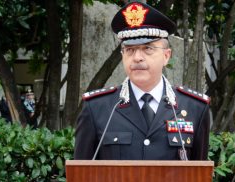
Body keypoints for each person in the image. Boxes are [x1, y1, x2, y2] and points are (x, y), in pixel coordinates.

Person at [74, 1, 210, 160]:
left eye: (148, 48)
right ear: (122, 55)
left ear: (166, 56)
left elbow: (198, 177)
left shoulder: (194, 108)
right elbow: (82, 176)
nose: (137, 58)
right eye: (130, 50)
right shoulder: (96, 108)